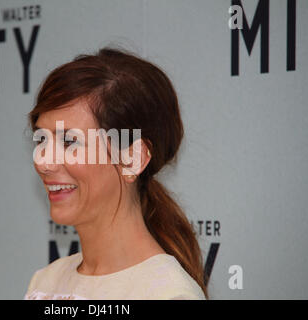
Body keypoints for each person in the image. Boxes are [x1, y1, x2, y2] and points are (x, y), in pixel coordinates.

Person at [24, 46, 207, 300]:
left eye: (69, 142)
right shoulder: (46, 282)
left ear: (133, 158)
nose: (43, 161)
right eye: (41, 140)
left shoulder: (168, 294)